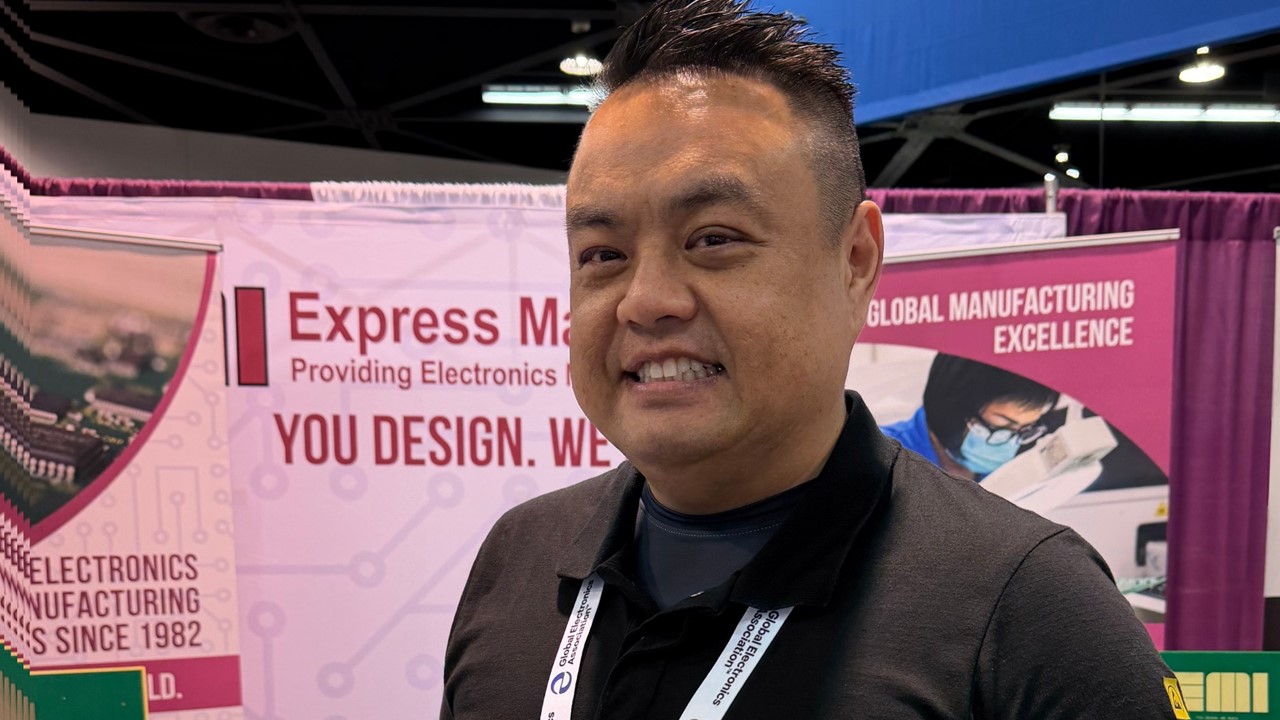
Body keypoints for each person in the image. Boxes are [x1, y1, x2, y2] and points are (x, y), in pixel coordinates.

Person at [441, 2, 1185, 718]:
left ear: (855, 260)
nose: (646, 300)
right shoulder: (521, 560)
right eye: (603, 254)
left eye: (714, 239)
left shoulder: (1027, 607)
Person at [881, 352, 1059, 480]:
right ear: (953, 406)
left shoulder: (1005, 477)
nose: (1010, 444)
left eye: (1024, 430)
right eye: (1002, 424)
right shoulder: (880, 459)